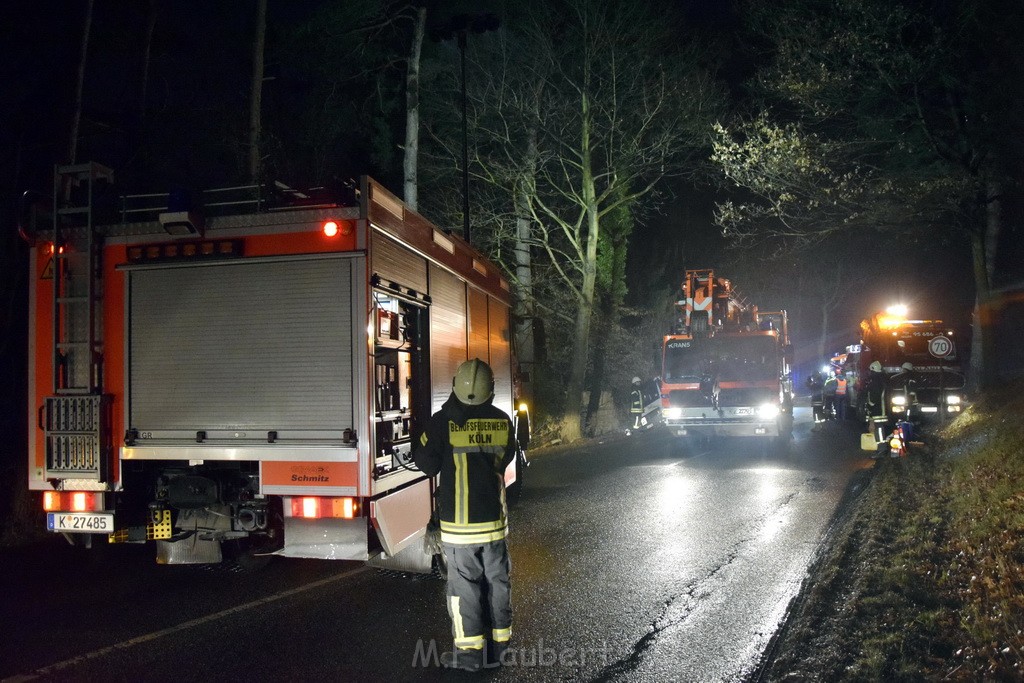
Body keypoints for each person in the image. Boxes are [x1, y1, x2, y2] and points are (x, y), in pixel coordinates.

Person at [413, 359, 516, 671]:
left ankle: (471, 656)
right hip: (494, 526)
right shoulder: (502, 421)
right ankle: (501, 650)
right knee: (498, 584)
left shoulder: (442, 422)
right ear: (491, 390)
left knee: (464, 589)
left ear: (456, 386)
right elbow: (506, 457)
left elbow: (426, 463)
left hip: (459, 530)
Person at [864, 360, 889, 453]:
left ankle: (881, 449)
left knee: (878, 428)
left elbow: (873, 398)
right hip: (882, 408)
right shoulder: (882, 380)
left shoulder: (875, 382)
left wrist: (869, 407)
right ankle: (881, 448)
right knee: (879, 427)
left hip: (877, 410)